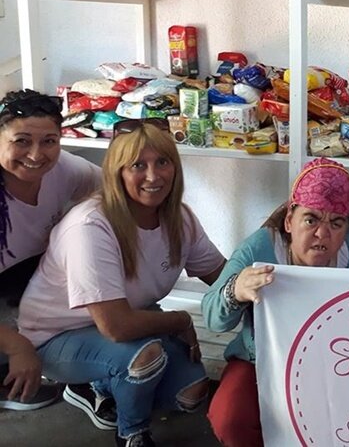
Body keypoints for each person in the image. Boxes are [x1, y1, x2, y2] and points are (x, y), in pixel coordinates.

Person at [17, 119, 226, 447]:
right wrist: (180, 320)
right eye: (138, 165)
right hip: (56, 336)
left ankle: (104, 383)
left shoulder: (179, 218)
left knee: (191, 394)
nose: (153, 176)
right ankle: (132, 432)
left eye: (163, 162)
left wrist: (264, 281)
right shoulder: (90, 226)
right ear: (116, 172)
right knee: (144, 359)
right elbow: (116, 326)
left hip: (130, 321)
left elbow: (223, 277)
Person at [202, 157, 349, 447]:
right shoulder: (258, 248)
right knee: (230, 417)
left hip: (336, 360)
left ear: (348, 228)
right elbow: (212, 317)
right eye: (310, 220)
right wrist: (235, 290)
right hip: (262, 359)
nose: (322, 234)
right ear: (289, 221)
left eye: (336, 223)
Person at [0, 89, 100, 411]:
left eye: (49, 141)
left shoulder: (64, 169)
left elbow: (118, 192)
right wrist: (18, 348)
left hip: (31, 272)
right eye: (21, 141)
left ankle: (82, 380)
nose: (36, 154)